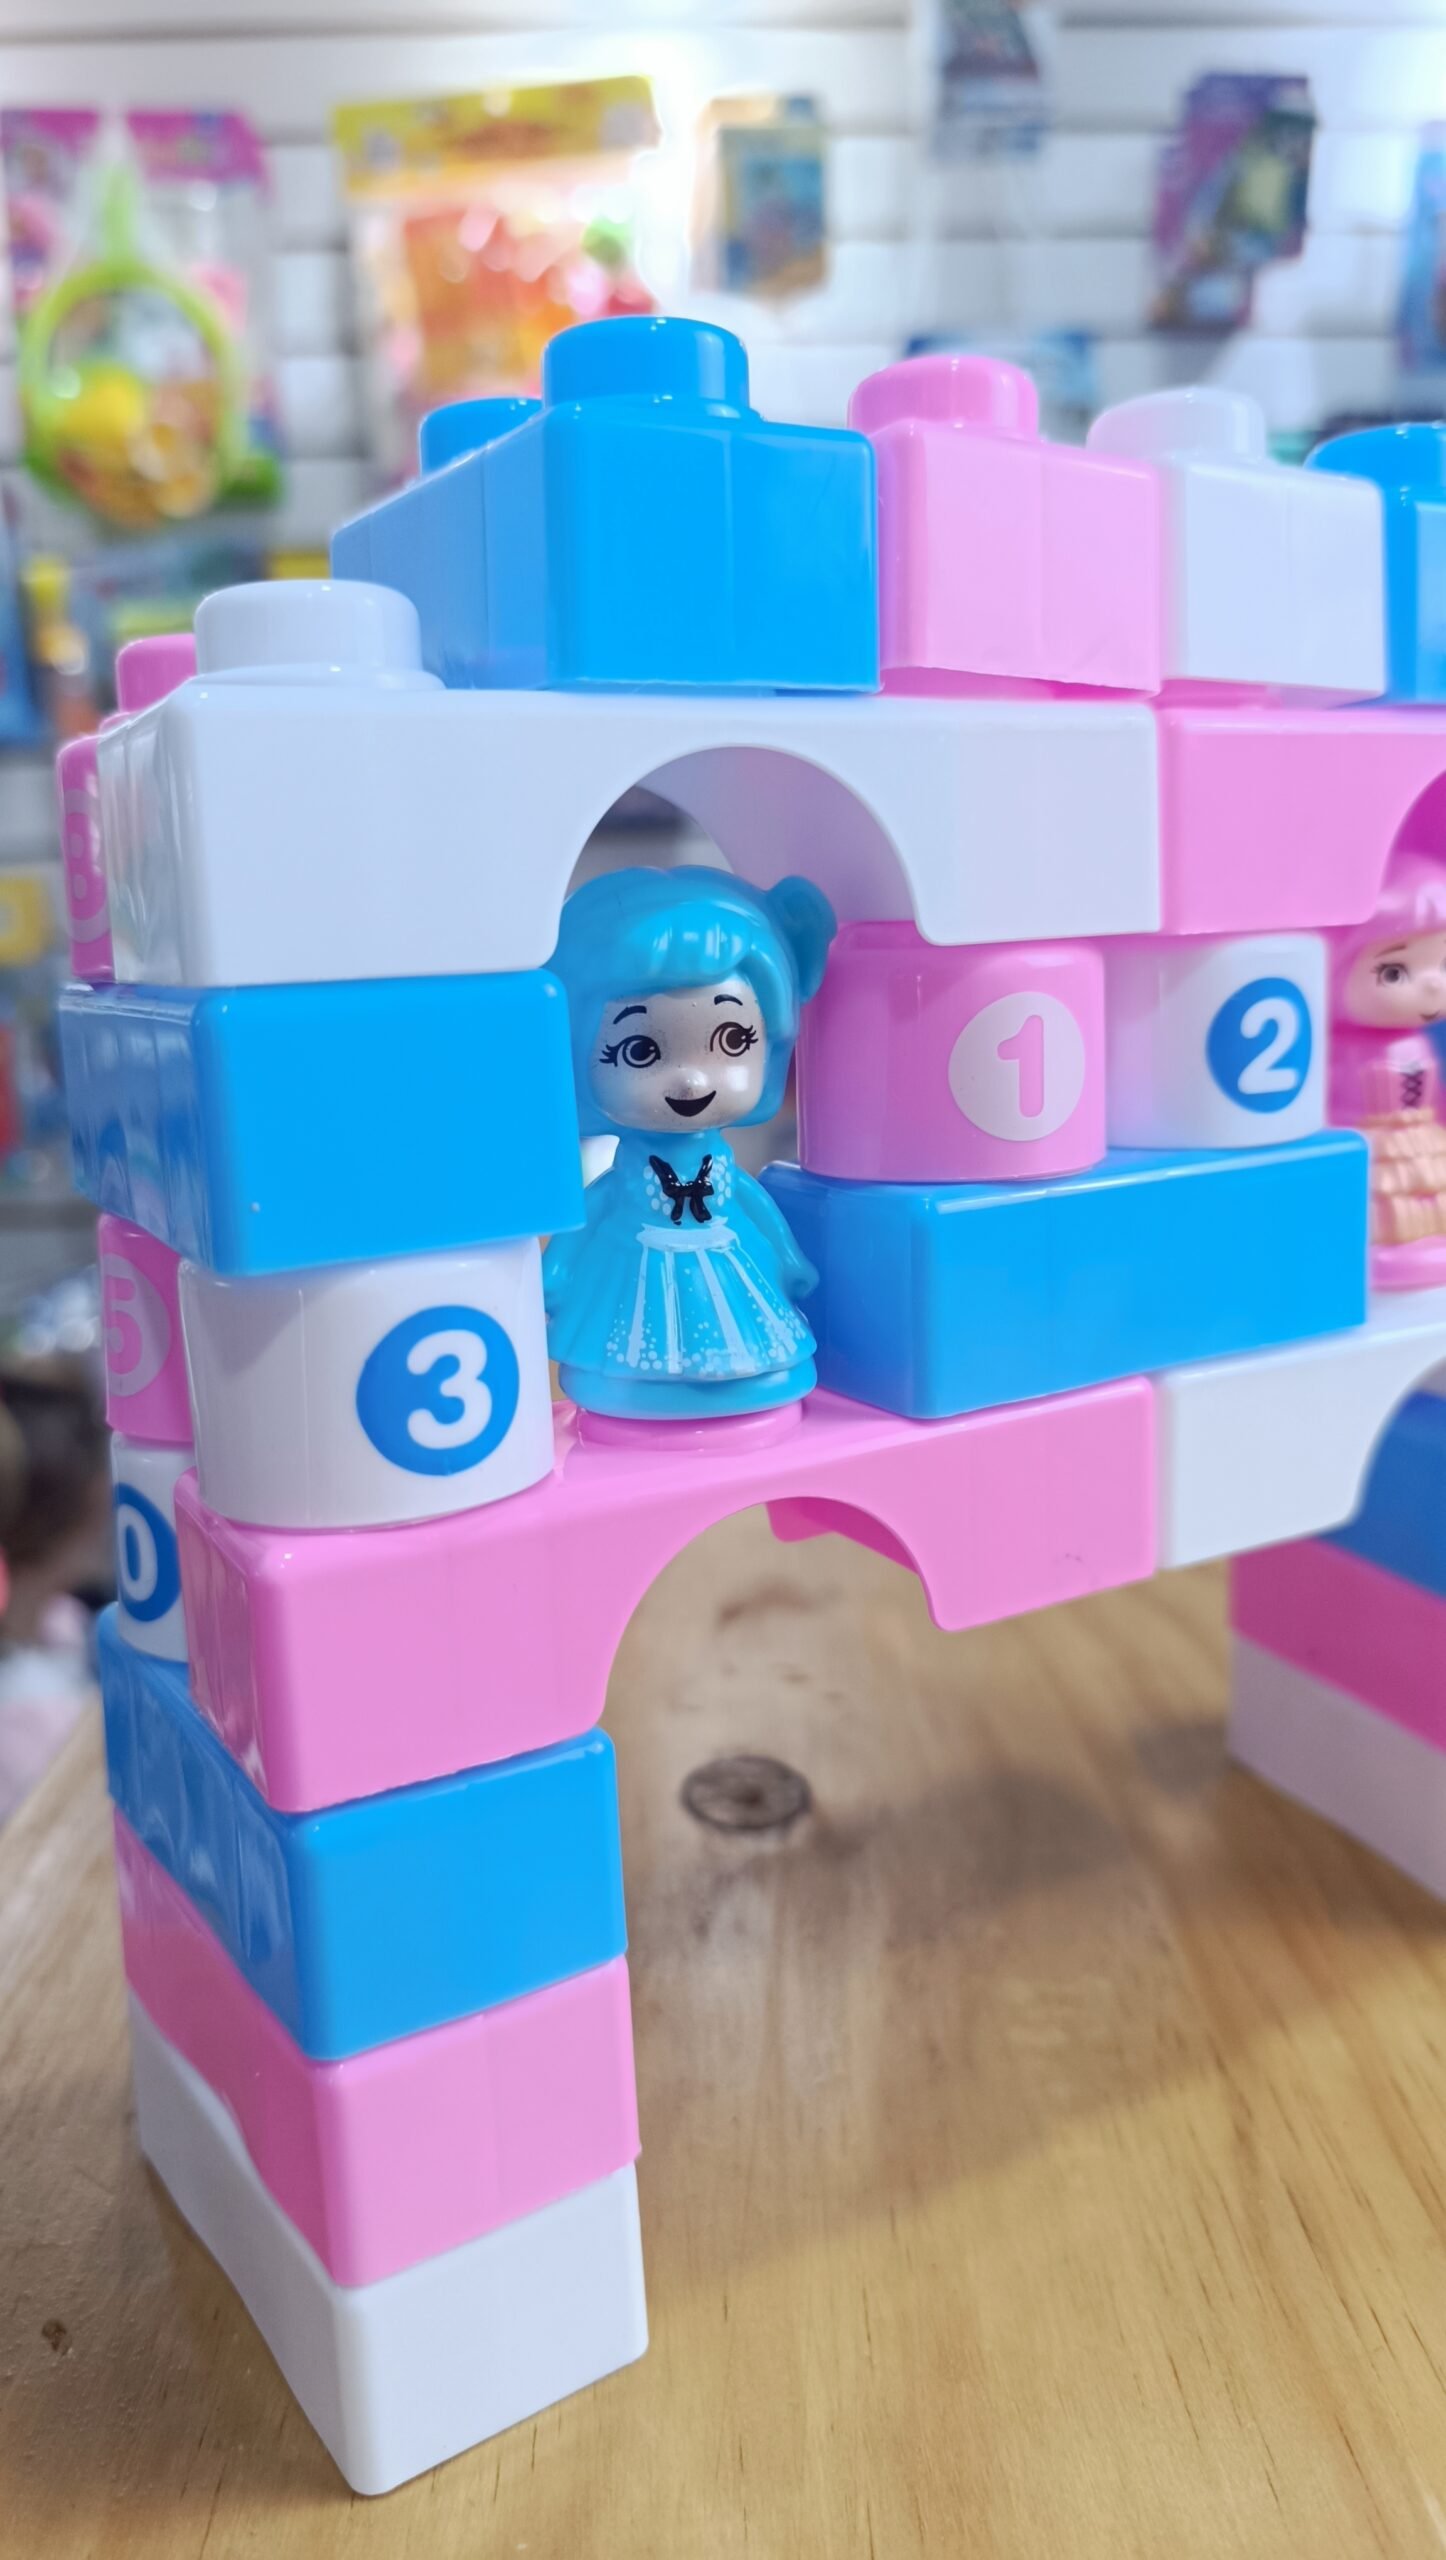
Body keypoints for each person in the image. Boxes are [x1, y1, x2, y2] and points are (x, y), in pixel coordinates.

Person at [544, 865, 836, 1421]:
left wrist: (789, 1258)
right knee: (630, 1339)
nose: (692, 1079)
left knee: (748, 1329)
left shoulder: (722, 1164)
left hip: (726, 1255)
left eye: (732, 1039)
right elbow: (593, 1208)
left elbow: (753, 1203)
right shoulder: (623, 1175)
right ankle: (643, 1386)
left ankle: (746, 1378)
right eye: (639, 1051)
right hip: (635, 1266)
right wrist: (556, 1270)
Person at [1329, 848, 1446, 1290]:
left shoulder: (1421, 1041)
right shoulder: (1341, 1049)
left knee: (1425, 1200)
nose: (1433, 985)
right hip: (1362, 1143)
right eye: (1394, 972)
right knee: (1372, 1205)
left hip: (1420, 1139)